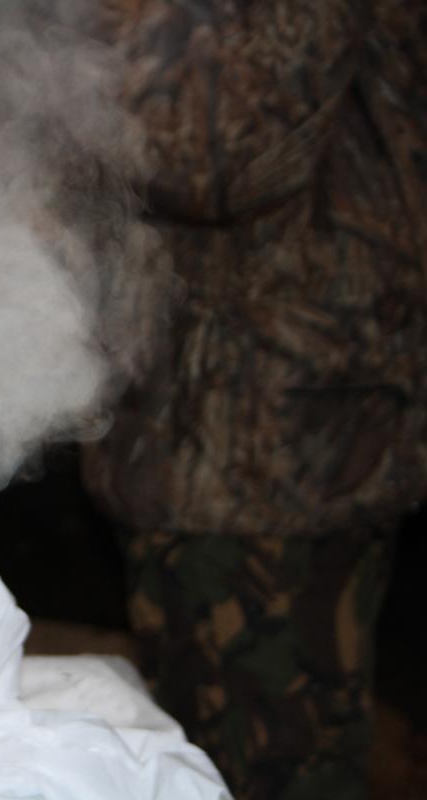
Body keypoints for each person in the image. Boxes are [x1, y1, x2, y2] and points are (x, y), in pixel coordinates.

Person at [83, 2, 427, 798]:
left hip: (270, 436)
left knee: (270, 751)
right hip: (212, 413)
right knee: (195, 742)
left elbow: (207, 154)